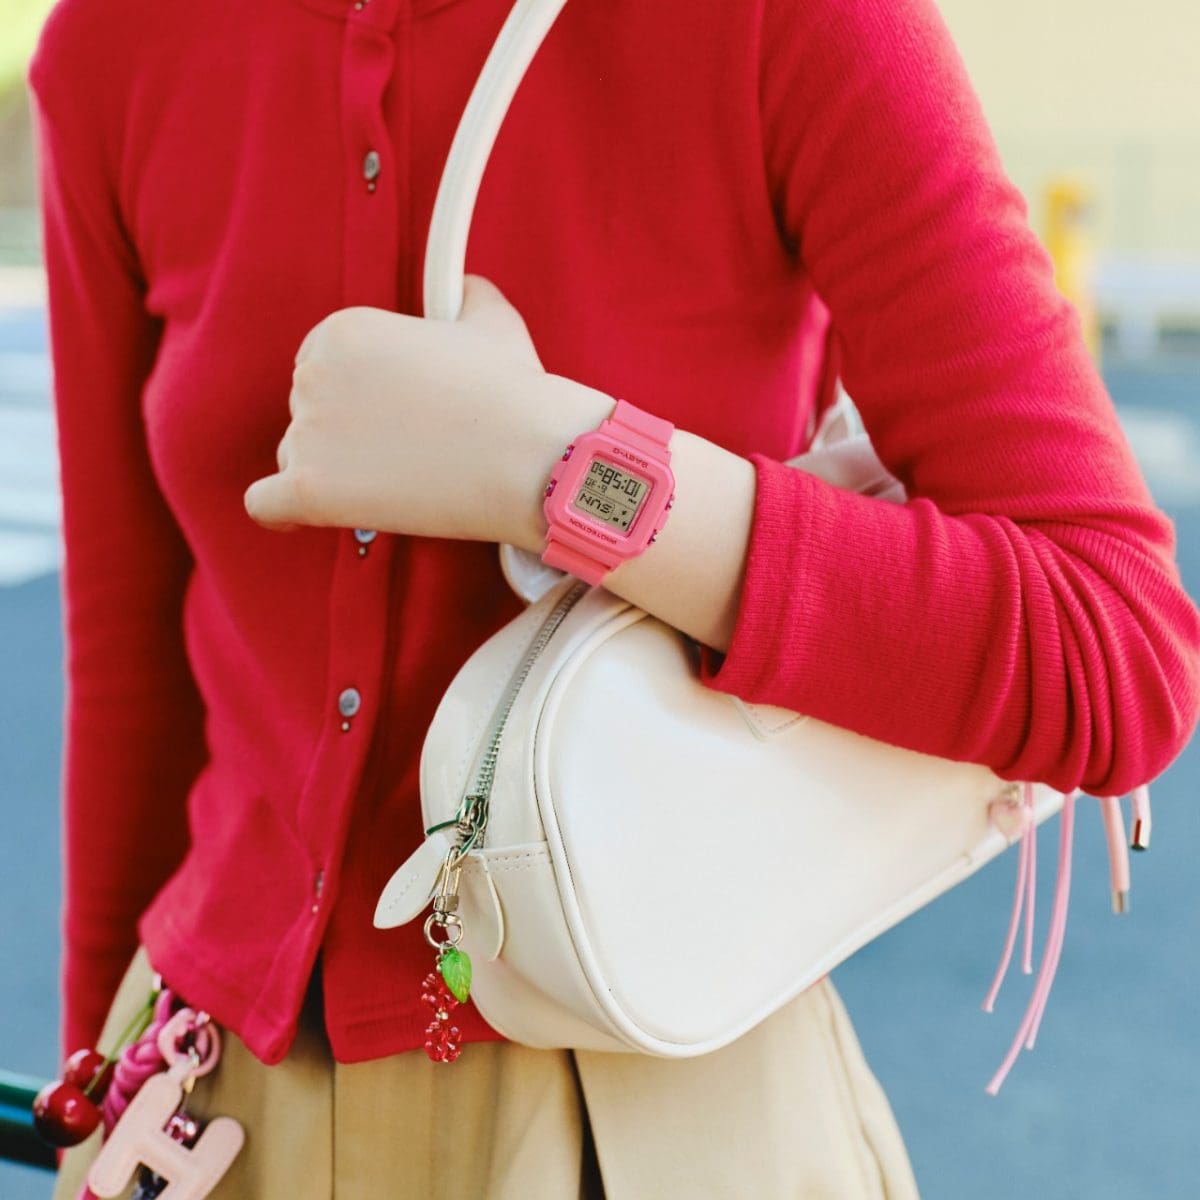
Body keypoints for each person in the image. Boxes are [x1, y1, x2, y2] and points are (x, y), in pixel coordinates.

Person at [26, 0, 1200, 1195]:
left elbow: (1112, 640)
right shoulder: (117, 42)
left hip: (646, 1098)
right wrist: (85, 1107)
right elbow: (133, 671)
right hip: (210, 1100)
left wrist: (560, 469)